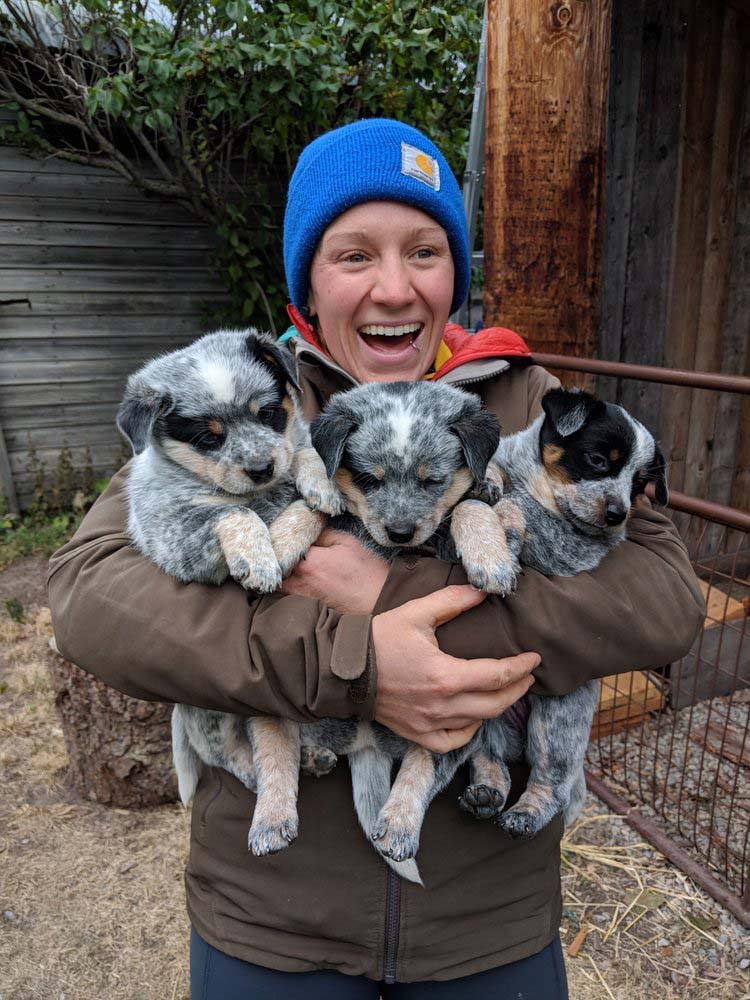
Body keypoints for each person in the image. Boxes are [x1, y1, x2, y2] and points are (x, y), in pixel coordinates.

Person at [47, 119, 705, 999]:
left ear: (456, 273)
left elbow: (666, 596)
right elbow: (88, 593)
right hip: (274, 920)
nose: (394, 289)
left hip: (487, 922)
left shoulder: (524, 399)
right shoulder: (248, 394)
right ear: (306, 284)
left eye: (425, 251)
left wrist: (400, 595)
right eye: (353, 255)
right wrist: (348, 663)